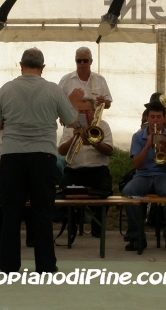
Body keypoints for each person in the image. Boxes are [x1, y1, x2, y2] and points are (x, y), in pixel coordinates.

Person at [0, 48, 83, 273]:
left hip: (12, 155)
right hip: (43, 155)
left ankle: (8, 266)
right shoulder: (52, 89)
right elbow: (71, 121)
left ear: (20, 65)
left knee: (11, 212)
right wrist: (75, 103)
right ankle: (45, 265)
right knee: (43, 212)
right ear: (43, 67)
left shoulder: (6, 88)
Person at [121, 101, 166, 252]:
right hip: (143, 175)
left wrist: (164, 150)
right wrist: (148, 145)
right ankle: (137, 236)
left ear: (164, 119)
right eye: (152, 117)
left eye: (159, 117)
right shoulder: (137, 136)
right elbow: (136, 165)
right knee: (128, 193)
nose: (155, 120)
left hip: (164, 175)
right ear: (147, 118)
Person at [58, 97, 113, 239]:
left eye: (87, 111)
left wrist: (94, 142)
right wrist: (73, 138)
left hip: (98, 170)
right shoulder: (69, 127)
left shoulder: (104, 125)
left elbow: (109, 151)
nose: (83, 114)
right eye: (80, 111)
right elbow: (61, 151)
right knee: (63, 189)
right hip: (74, 171)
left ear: (94, 112)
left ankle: (97, 224)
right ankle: (73, 221)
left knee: (106, 189)